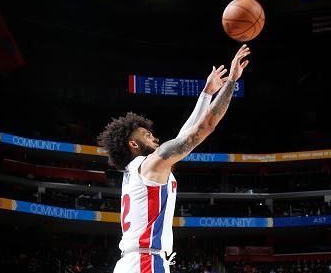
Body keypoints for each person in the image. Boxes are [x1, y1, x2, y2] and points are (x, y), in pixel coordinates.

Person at [98, 44, 251, 273]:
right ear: (133, 144)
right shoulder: (148, 165)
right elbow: (202, 129)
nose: (154, 136)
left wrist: (206, 94)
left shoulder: (139, 170)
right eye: (146, 135)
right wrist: (231, 83)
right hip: (145, 263)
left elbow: (185, 135)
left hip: (137, 262)